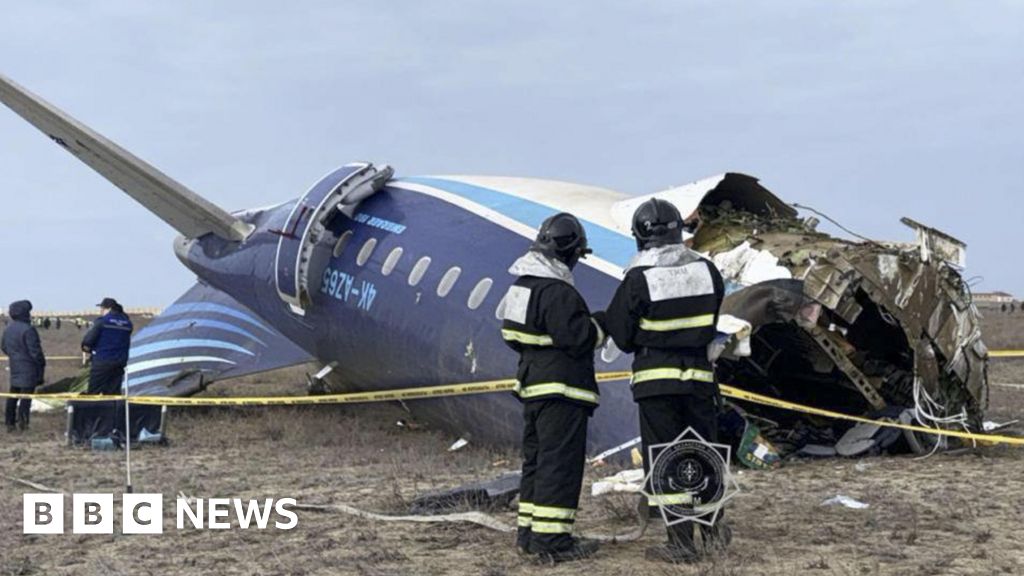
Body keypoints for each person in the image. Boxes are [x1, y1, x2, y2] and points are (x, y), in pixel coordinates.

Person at [602, 198, 729, 563]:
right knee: (704, 453)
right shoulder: (707, 271)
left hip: (658, 384)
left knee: (667, 459)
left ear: (641, 237)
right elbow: (711, 320)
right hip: (700, 380)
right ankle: (714, 528)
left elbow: (622, 335)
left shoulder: (639, 278)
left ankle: (681, 543)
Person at [498, 213, 605, 562]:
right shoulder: (558, 292)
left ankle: (529, 535)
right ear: (571, 252)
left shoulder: (521, 286)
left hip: (532, 387)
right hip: (562, 391)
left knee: (538, 461)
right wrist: (602, 324)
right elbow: (579, 339)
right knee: (560, 464)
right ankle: (553, 542)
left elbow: (510, 336)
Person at [2, 300, 46, 431]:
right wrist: (41, 364)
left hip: (15, 366)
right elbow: (35, 352)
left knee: (13, 396)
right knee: (26, 398)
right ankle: (23, 423)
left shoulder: (8, 329)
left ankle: (9, 423)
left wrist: (15, 356)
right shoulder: (29, 329)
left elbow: (4, 347)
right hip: (29, 368)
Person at [81, 298, 133, 395]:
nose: (101, 311)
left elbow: (88, 341)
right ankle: (112, 409)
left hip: (102, 361)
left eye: (102, 308)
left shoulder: (102, 322)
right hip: (120, 362)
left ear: (109, 309)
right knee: (113, 394)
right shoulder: (127, 323)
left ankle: (92, 409)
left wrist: (87, 348)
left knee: (94, 392)